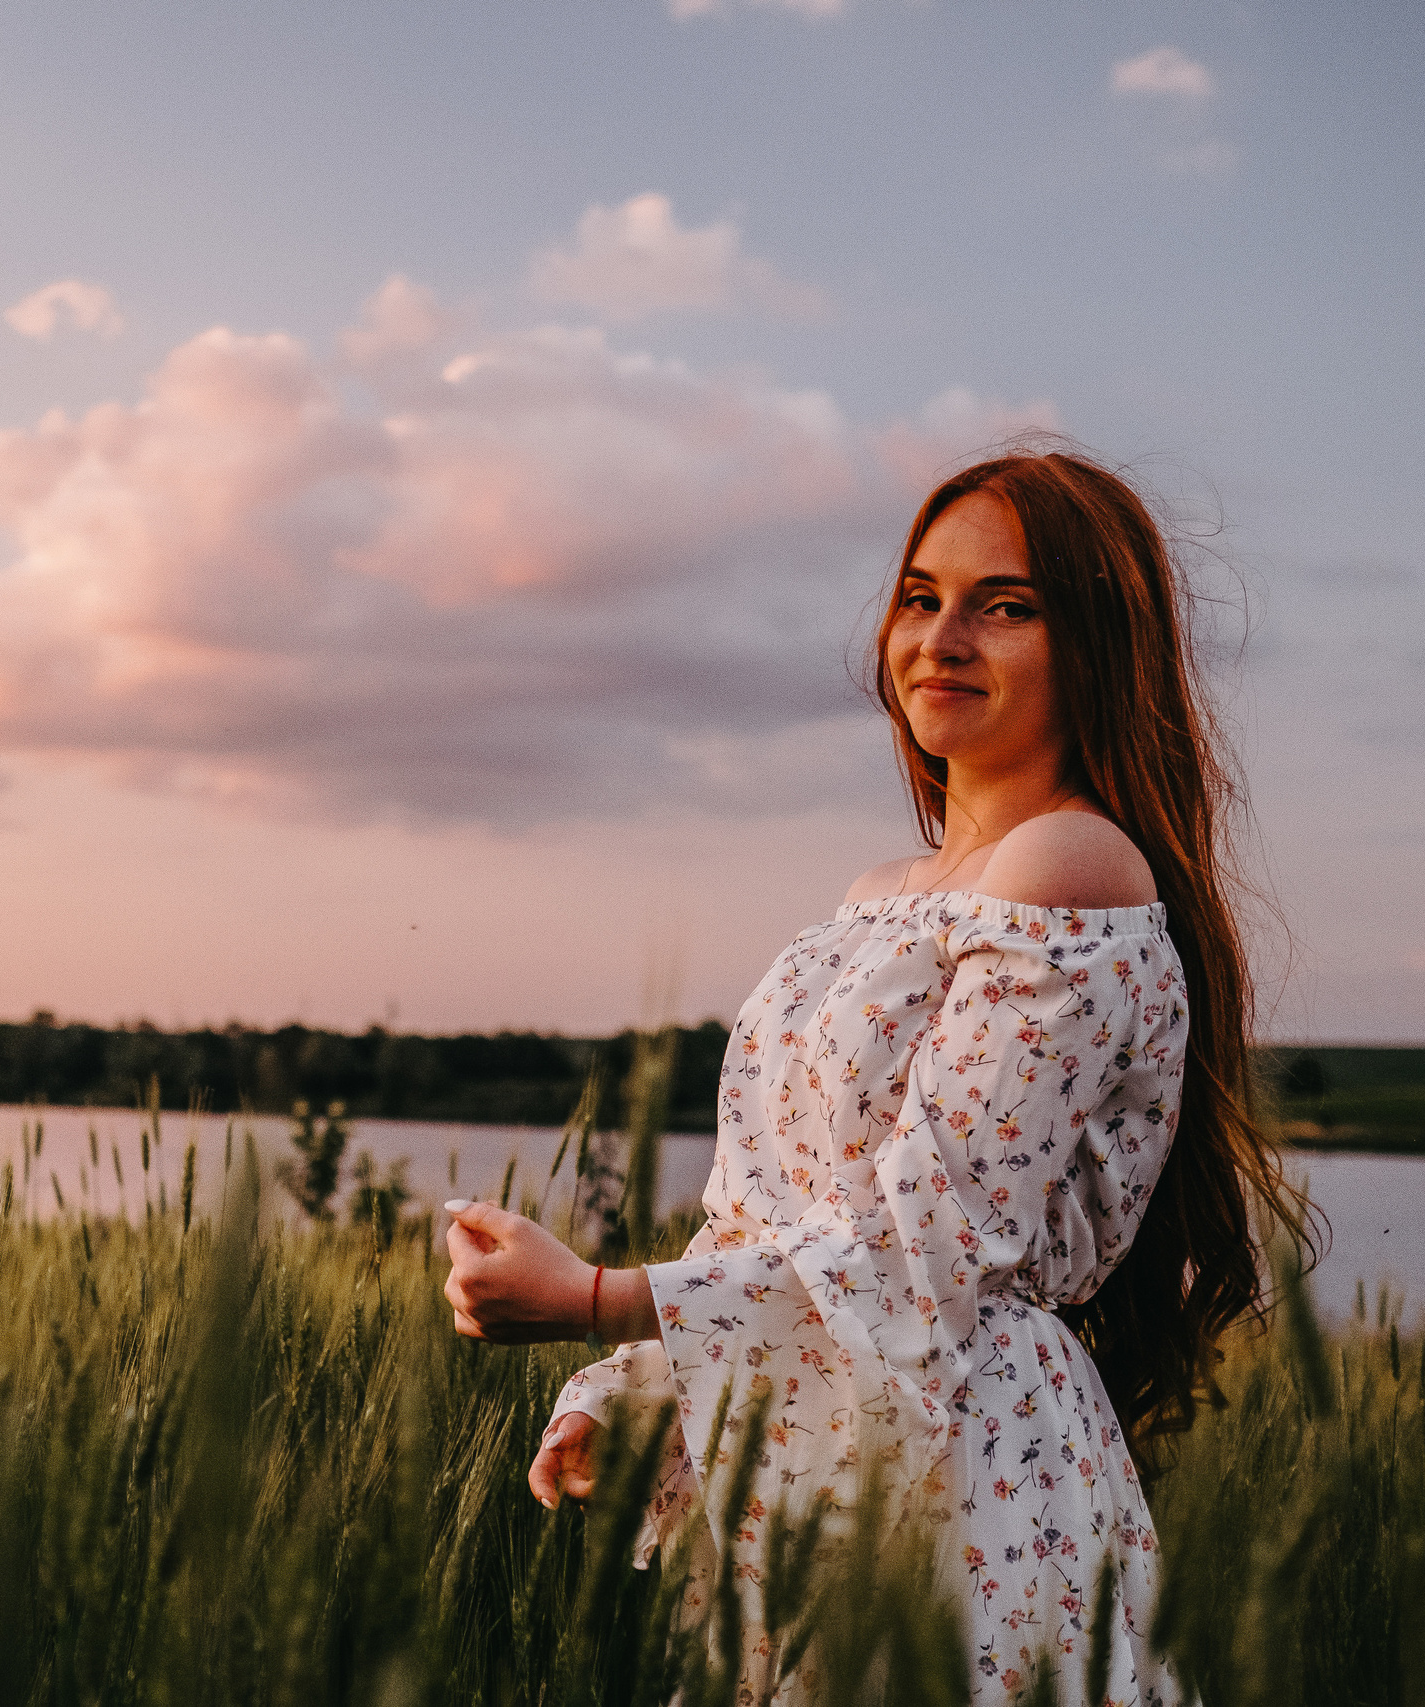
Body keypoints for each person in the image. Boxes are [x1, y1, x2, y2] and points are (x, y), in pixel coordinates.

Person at [441, 447, 1308, 1705]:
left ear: (1099, 645)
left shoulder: (1068, 866)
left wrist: (589, 1298)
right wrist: (636, 1387)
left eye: (1004, 606)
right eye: (918, 597)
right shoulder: (877, 899)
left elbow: (921, 1247)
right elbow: (775, 1222)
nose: (942, 637)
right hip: (800, 1459)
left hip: (960, 1465)